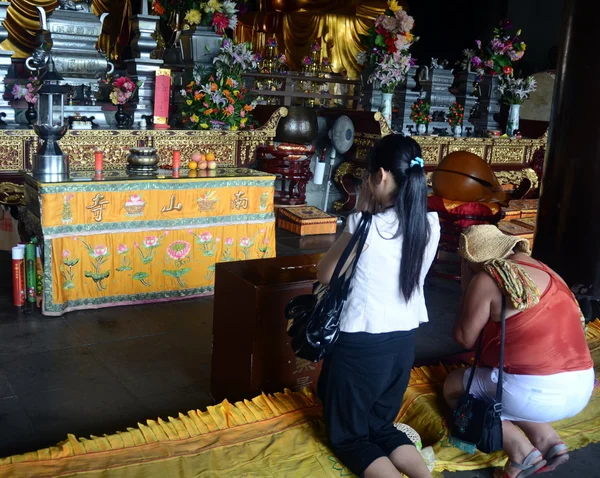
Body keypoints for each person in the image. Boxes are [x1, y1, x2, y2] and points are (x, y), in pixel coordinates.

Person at [316, 135, 441, 478]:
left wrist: (359, 212)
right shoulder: (429, 225)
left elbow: (325, 274)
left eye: (369, 176)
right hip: (402, 345)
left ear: (382, 176)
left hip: (361, 346)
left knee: (352, 439)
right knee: (382, 427)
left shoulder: (365, 225)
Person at [443, 225, 594, 478]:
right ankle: (548, 441)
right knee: (511, 390)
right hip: (581, 387)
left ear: (473, 261)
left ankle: (521, 451)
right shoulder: (549, 272)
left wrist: (469, 287)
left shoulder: (488, 277)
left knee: (454, 386)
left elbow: (464, 338)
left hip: (532, 391)